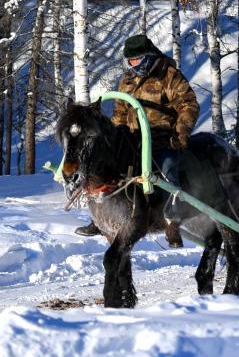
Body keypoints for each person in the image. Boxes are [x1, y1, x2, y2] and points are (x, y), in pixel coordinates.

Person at [75, 34, 199, 246]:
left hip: (162, 139)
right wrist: (113, 135)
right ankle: (99, 219)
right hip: (132, 138)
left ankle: (172, 221)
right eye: (130, 61)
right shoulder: (127, 80)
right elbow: (120, 111)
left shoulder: (168, 76)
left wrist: (180, 133)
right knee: (106, 170)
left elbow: (188, 105)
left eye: (137, 60)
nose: (133, 65)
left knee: (169, 175)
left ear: (149, 56)